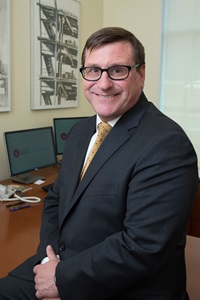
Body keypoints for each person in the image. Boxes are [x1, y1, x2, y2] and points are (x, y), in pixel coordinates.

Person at [0, 27, 198, 300]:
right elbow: (56, 200)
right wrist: (49, 260)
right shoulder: (82, 131)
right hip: (61, 263)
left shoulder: (167, 143)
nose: (103, 83)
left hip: (123, 287)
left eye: (117, 70)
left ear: (141, 74)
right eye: (93, 70)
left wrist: (62, 278)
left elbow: (143, 246)